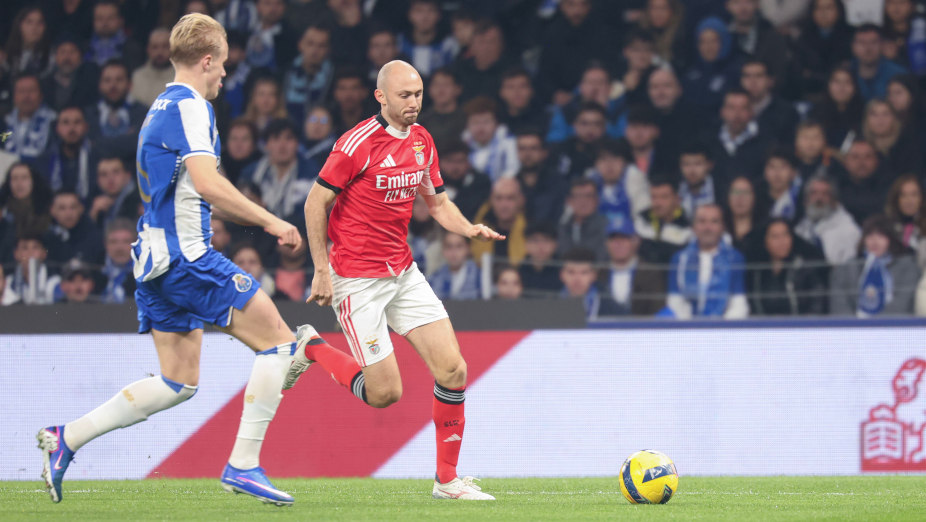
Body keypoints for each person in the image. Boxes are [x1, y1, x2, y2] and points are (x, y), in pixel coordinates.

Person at [37, 14, 305, 507]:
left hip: (154, 261)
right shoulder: (192, 107)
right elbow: (207, 184)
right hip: (188, 258)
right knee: (281, 346)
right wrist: (271, 221)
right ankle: (243, 465)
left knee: (178, 382)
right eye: (222, 64)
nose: (225, 74)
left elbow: (198, 188)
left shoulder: (160, 105)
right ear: (206, 60)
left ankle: (65, 438)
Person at [293, 60, 502, 500]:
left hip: (402, 273)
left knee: (454, 369)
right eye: (404, 95)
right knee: (385, 393)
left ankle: (447, 481)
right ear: (381, 97)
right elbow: (315, 204)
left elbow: (438, 204)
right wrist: (321, 269)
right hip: (357, 281)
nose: (414, 103)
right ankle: (312, 347)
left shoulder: (424, 142)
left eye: (419, 94)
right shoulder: (356, 144)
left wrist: (469, 228)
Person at [666, 204, 749, 319]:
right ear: (693, 226)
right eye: (702, 221)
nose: (707, 227)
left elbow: (738, 303)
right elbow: (675, 302)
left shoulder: (734, 258)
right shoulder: (679, 259)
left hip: (724, 330)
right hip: (687, 330)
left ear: (722, 227)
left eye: (714, 222)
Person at [830, 215, 919, 316]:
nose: (874, 241)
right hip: (853, 329)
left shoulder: (907, 267)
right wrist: (854, 327)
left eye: (881, 235)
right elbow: (840, 305)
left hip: (893, 329)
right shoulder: (847, 268)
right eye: (870, 236)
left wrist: (877, 326)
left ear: (891, 239)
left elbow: (902, 303)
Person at [240, 118, 319, 223]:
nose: (282, 145)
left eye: (288, 138)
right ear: (267, 144)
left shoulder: (312, 174)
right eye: (276, 138)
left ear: (297, 144)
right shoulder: (250, 174)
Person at [746, 218, 828, 315]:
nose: (782, 241)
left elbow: (817, 304)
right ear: (765, 241)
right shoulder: (757, 273)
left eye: (785, 235)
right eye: (775, 236)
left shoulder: (805, 269)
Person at [600, 219, 667, 316]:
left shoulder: (651, 273)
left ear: (636, 242)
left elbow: (657, 310)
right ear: (606, 243)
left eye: (624, 238)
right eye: (613, 239)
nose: (618, 244)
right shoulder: (598, 273)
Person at [84, 60, 148, 160]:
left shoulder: (143, 112)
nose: (113, 85)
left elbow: (137, 145)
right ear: (100, 85)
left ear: (129, 84)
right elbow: (90, 146)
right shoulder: (89, 114)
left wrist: (101, 142)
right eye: (107, 80)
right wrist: (126, 139)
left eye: (119, 80)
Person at [683, 17, 742, 120]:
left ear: (724, 42)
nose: (708, 47)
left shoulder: (736, 72)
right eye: (703, 42)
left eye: (713, 41)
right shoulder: (690, 73)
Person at [795, 173, 862, 264]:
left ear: (834, 200)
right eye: (814, 193)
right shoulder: (800, 228)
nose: (819, 198)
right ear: (806, 199)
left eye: (825, 194)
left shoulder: (849, 230)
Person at [36, 106, 96, 202]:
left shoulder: (97, 157)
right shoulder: (44, 161)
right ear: (57, 128)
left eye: (77, 122)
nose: (72, 129)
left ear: (86, 127)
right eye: (65, 123)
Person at [795, 0, 854, 97]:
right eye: (818, 8)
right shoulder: (804, 36)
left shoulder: (851, 35)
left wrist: (813, 75)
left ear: (839, 11)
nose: (823, 13)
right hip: (811, 93)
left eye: (829, 8)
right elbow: (799, 72)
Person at [591, 138, 650, 231]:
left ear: (625, 162)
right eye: (603, 159)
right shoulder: (590, 180)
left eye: (615, 159)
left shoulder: (634, 179)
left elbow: (643, 219)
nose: (609, 165)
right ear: (596, 164)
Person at [283, 24, 334, 126]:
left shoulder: (335, 77)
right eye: (310, 44)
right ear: (300, 45)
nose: (315, 50)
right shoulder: (284, 73)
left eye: (321, 46)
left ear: (328, 49)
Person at [740, 59, 799, 145]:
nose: (752, 81)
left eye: (758, 76)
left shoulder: (787, 112)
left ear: (770, 81)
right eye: (747, 76)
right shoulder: (730, 109)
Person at [514, 129, 567, 225]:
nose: (527, 154)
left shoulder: (558, 184)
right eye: (522, 148)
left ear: (544, 152)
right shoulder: (512, 186)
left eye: (533, 148)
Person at [472, 177, 528, 266]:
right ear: (491, 200)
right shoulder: (480, 227)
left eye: (510, 198)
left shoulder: (529, 230)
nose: (504, 205)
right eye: (498, 198)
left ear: (521, 200)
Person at [861, 98, 923, 179]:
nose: (880, 119)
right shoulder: (858, 147)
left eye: (885, 114)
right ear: (866, 119)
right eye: (874, 114)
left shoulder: (909, 147)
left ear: (894, 118)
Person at [635, 177, 692, 263]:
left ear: (677, 199)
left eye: (664, 197)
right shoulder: (641, 220)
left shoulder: (686, 228)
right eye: (654, 197)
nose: (658, 203)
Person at [809, 65, 865, 152]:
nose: (841, 87)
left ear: (855, 87)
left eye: (847, 82)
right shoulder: (815, 113)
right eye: (837, 82)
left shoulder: (864, 113)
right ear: (828, 85)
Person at [461, 97, 518, 182]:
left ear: (496, 124)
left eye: (486, 122)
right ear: (467, 125)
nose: (480, 128)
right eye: (475, 122)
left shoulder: (509, 144)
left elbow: (512, 171)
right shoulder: (462, 144)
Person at [2, 74, 57, 163]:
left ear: (41, 95)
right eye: (21, 91)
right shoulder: (4, 123)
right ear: (14, 97)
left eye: (31, 90)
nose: (26, 96)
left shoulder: (54, 122)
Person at [40, 34, 100, 112]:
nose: (67, 57)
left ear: (81, 57)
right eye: (62, 52)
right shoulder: (45, 84)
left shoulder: (91, 80)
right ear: (56, 56)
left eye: (72, 52)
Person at [396, 0, 456, 78]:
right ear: (410, 14)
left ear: (439, 15)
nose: (425, 17)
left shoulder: (450, 45)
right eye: (419, 11)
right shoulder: (398, 43)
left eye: (431, 10)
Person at [559, 246, 621, 320]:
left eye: (584, 272)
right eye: (571, 272)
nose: (577, 279)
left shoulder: (613, 310)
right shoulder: (549, 304)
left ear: (594, 275)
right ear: (562, 275)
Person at [44, 190, 104, 266]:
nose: (68, 213)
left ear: (81, 209)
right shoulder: (46, 240)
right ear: (52, 211)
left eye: (73, 207)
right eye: (62, 208)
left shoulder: (96, 238)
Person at [836, 139, 888, 224]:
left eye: (868, 157)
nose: (861, 162)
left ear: (876, 161)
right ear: (845, 161)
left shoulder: (890, 187)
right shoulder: (834, 187)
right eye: (855, 157)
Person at [851, 23, 908, 101]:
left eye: (873, 42)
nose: (868, 48)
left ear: (882, 45)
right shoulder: (845, 72)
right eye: (862, 42)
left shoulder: (899, 74)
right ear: (853, 47)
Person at [438, 139, 491, 222]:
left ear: (468, 162)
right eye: (449, 161)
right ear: (439, 162)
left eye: (460, 161)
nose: (454, 167)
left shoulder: (480, 184)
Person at [557, 178, 609, 261]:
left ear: (597, 200)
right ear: (569, 201)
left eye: (588, 196)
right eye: (578, 196)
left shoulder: (607, 228)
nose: (583, 201)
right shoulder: (562, 227)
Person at [2, 235, 61, 306]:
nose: (30, 253)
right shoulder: (8, 283)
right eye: (25, 248)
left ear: (44, 253)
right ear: (16, 254)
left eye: (35, 247)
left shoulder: (55, 283)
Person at [84, 0, 144, 71]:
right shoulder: (84, 48)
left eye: (110, 18)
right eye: (100, 18)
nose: (104, 23)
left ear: (120, 21)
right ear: (93, 22)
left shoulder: (132, 48)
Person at [0, 162, 53, 240]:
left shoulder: (48, 207)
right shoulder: (3, 208)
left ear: (33, 181)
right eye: (14, 178)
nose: (19, 183)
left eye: (24, 178)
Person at [417, 68, 466, 150]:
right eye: (436, 85)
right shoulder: (421, 121)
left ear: (458, 89)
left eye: (446, 85)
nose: (441, 90)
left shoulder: (466, 119)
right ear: (429, 89)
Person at [885, 175, 926, 269]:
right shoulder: (886, 227)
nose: (909, 200)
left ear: (922, 198)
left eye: (914, 195)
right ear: (896, 199)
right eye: (903, 195)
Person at [428, 233, 481, 300]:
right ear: (443, 250)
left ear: (467, 248)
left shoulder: (479, 276)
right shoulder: (434, 278)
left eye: (459, 246)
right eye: (449, 247)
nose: (454, 252)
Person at [130, 28, 175, 107]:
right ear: (148, 50)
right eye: (155, 47)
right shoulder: (138, 76)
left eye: (165, 46)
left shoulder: (181, 77)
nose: (160, 52)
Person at [518, 221, 562, 297]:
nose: (540, 246)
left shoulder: (564, 271)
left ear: (555, 244)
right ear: (526, 244)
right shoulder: (519, 272)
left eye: (546, 240)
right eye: (535, 241)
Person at [677, 141, 718, 220]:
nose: (692, 171)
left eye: (698, 164)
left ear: (709, 165)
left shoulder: (720, 190)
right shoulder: (675, 190)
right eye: (686, 164)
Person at [100, 217, 136, 303]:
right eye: (113, 242)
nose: (119, 248)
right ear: (105, 244)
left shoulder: (147, 277)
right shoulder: (95, 273)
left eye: (126, 241)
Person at [762, 149, 803, 223]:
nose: (777, 174)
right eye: (772, 167)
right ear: (765, 172)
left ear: (793, 173)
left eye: (783, 167)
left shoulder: (802, 201)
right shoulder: (756, 200)